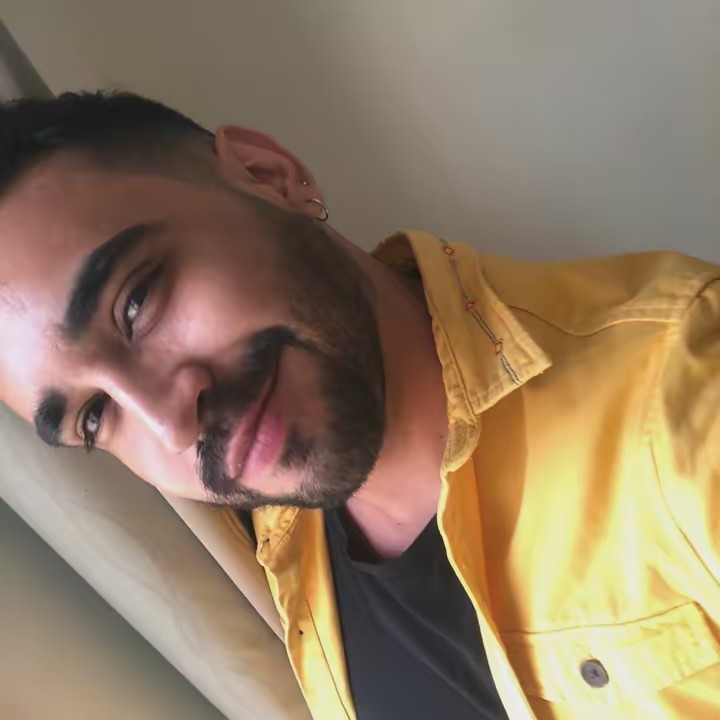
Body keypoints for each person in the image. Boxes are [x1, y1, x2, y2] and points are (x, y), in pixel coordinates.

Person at [0, 91, 718, 720]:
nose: (170, 421)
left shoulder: (683, 396)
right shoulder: (288, 538)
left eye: (136, 302)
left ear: (270, 177)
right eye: (95, 415)